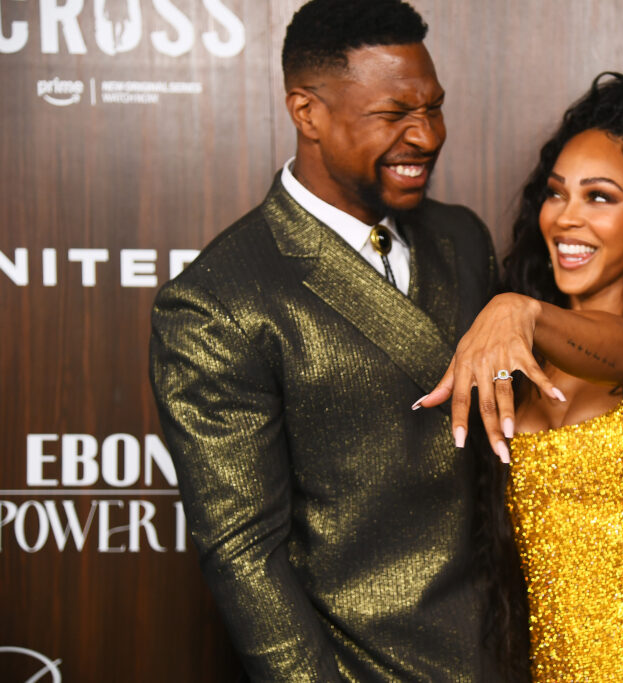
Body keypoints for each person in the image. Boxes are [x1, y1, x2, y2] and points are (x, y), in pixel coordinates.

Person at [148, 1, 503, 680]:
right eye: (394, 114)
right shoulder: (219, 299)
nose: (426, 135)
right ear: (306, 112)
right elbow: (246, 553)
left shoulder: (463, 238)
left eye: (434, 108)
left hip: (506, 654)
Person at [417, 73, 623, 680]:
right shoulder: (512, 371)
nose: (567, 219)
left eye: (599, 197)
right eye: (556, 194)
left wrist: (521, 309)